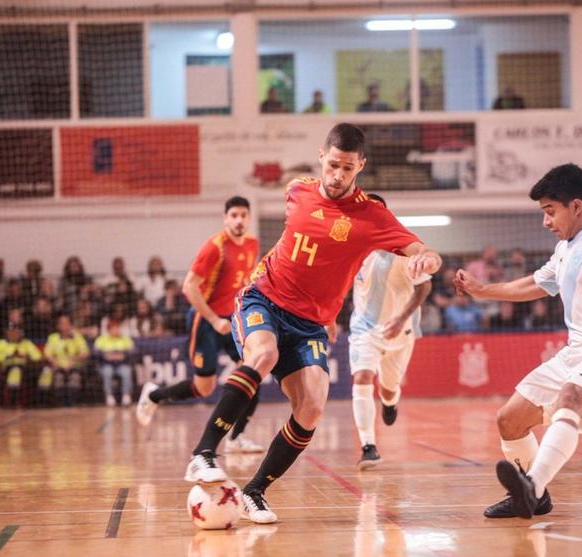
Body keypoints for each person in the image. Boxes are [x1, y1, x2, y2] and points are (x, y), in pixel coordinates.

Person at [182, 123, 441, 524]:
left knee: (314, 404)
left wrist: (427, 258)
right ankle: (203, 454)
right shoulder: (298, 189)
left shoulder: (373, 215)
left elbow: (421, 248)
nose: (338, 176)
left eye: (348, 169)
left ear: (361, 167)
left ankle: (255, 491)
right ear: (322, 157)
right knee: (263, 354)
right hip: (263, 299)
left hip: (310, 324)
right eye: (333, 165)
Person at [453, 163, 582, 519]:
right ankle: (536, 494)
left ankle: (531, 487)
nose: (546, 222)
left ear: (577, 207)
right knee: (509, 420)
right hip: (575, 354)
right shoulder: (566, 248)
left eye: (550, 212)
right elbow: (534, 284)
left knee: (570, 397)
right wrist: (482, 291)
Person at [136, 196, 265, 455]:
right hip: (205, 320)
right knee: (203, 387)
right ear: (225, 218)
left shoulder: (252, 244)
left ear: (249, 218)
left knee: (254, 373)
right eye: (234, 215)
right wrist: (214, 319)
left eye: (243, 215)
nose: (239, 220)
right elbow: (189, 287)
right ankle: (153, 396)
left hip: (233, 320)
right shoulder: (214, 247)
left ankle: (236, 438)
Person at [348, 193, 433, 469]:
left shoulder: (402, 248)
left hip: (399, 331)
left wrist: (400, 318)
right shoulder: (350, 248)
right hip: (364, 329)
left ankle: (390, 401)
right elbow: (336, 284)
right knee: (361, 379)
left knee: (388, 389)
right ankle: (368, 445)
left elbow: (424, 286)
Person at [94, 318, 135, 407]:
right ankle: (109, 396)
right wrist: (105, 356)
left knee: (126, 372)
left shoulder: (125, 339)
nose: (116, 330)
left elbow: (133, 351)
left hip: (121, 365)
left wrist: (124, 355)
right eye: (114, 328)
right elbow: (96, 353)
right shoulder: (102, 339)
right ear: (109, 329)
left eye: (118, 328)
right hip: (106, 365)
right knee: (107, 372)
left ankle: (126, 396)